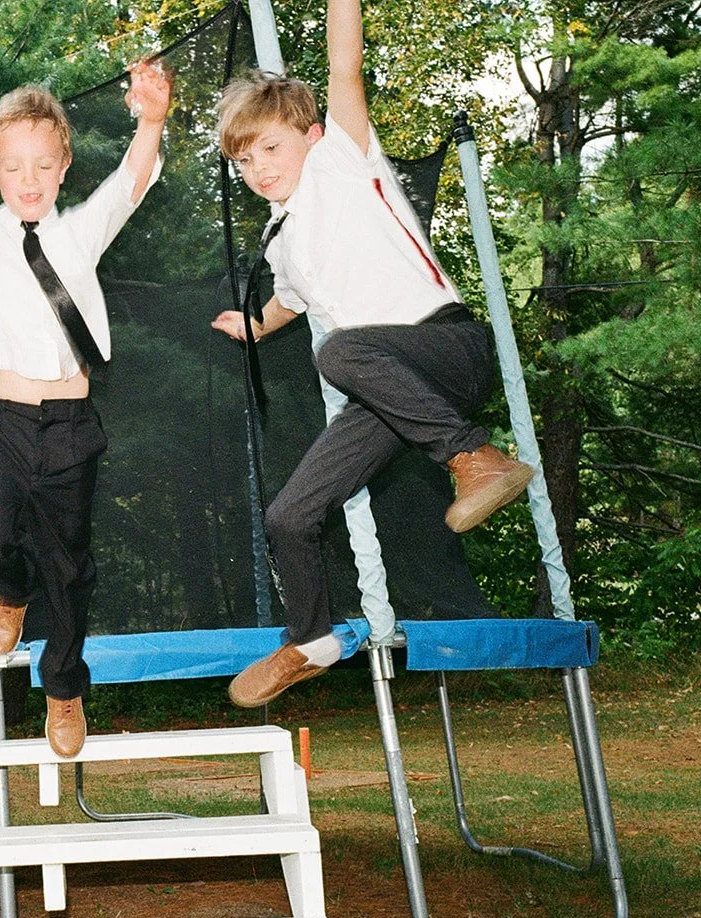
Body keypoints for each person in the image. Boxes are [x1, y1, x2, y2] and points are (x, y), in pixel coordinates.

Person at [212, 0, 533, 707]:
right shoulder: (281, 238)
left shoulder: (342, 162)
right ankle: (312, 639)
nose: (259, 168)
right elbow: (291, 303)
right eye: (244, 159)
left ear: (311, 134)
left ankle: (477, 457)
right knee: (289, 516)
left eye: (270, 148)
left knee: (341, 354)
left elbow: (343, 61)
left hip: (448, 347)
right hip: (389, 387)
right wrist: (254, 326)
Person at [0, 60, 172, 757]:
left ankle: (63, 687)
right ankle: (8, 592)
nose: (28, 180)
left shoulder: (79, 233)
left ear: (62, 169)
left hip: (67, 429)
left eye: (43, 166)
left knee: (69, 567)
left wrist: (150, 119)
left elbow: (130, 184)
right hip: (0, 420)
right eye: (14, 167)